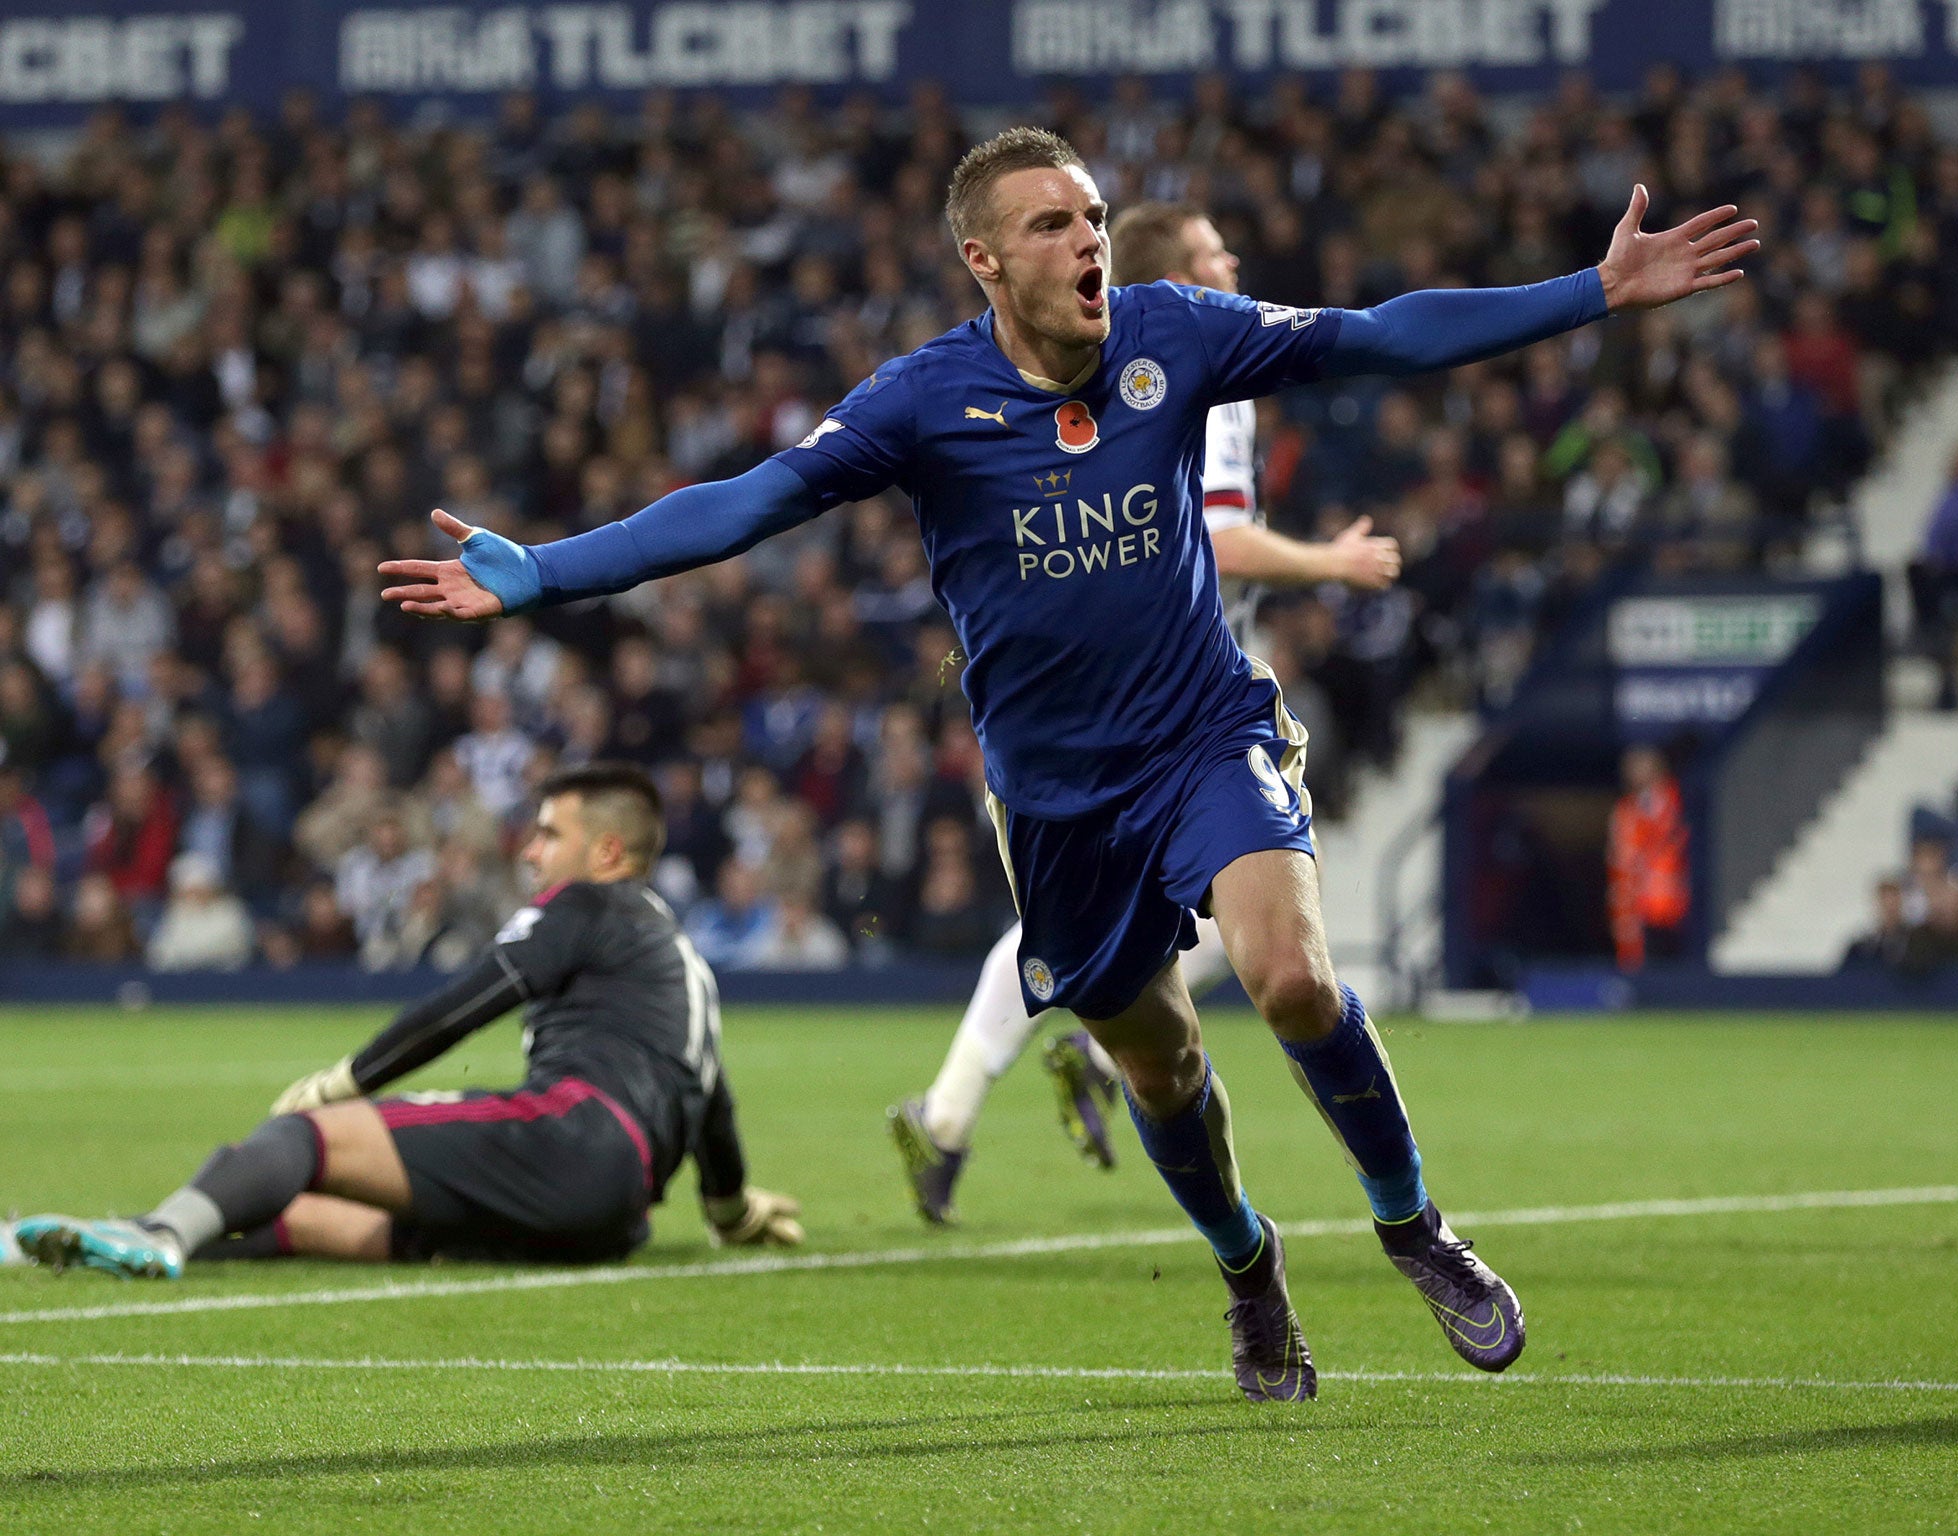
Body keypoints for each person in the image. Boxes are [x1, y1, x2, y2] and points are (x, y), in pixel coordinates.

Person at [374, 127, 1754, 1401]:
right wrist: (546, 570)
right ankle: (1247, 1270)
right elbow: (749, 502)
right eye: (1051, 223)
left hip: (1202, 730)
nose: (1088, 240)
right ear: (984, 257)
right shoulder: (923, 402)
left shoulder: (1175, 336)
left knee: (1290, 974)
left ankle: (1415, 1226)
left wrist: (1590, 291)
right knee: (1160, 1070)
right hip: (1055, 801)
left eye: (1094, 215)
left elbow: (1380, 339)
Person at [887, 201, 1409, 1225]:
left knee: (1160, 924)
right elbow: (1216, 538)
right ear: (1179, 272)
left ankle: (959, 1109)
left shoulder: (1166, 366)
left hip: (1141, 692)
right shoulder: (1192, 377)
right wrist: (1330, 564)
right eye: (1219, 250)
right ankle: (1072, 1059)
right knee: (1227, 923)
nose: (1236, 257)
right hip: (1172, 689)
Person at [16, 763, 801, 1278]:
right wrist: (732, 1212)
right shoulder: (682, 964)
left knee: (301, 1137)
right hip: (611, 1217)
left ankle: (158, 1237)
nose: (530, 854)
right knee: (330, 1218)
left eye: (548, 834)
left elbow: (472, 998)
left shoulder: (588, 904)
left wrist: (344, 1081)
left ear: (605, 853)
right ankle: (110, 1238)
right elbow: (712, 1103)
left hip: (568, 1138)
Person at [1608, 745, 1692, 970]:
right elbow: (1622, 860)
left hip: (1681, 902)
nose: (1633, 772)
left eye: (1639, 765)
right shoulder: (1626, 809)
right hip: (1646, 905)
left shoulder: (1680, 800)